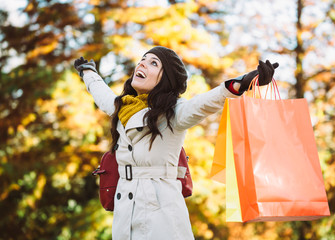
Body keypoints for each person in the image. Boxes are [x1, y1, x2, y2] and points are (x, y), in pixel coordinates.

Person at [74, 46, 278, 240]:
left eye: (153, 63)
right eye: (142, 60)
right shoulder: (123, 107)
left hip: (161, 213)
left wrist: (240, 84)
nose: (142, 65)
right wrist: (88, 73)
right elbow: (102, 94)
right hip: (125, 210)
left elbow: (205, 103)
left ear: (166, 79)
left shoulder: (174, 113)